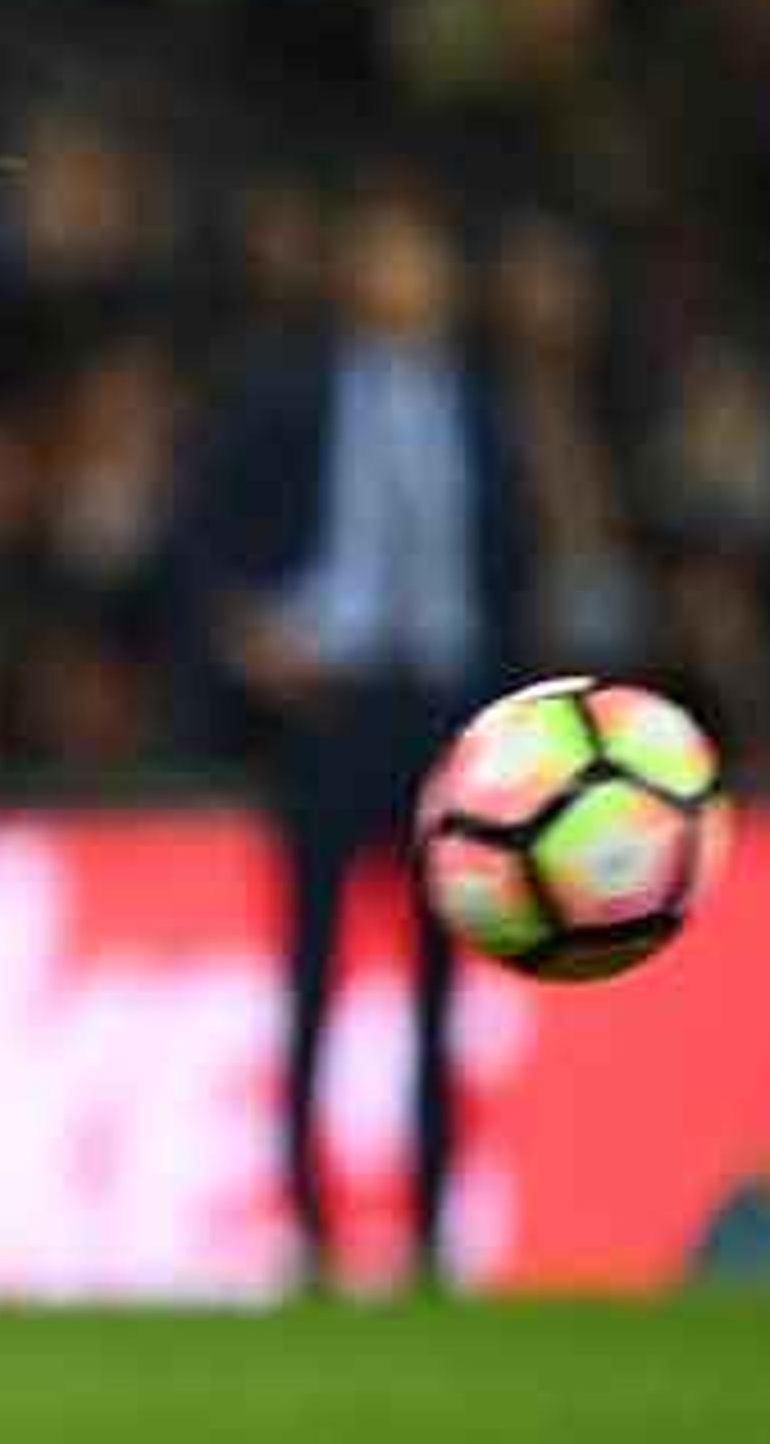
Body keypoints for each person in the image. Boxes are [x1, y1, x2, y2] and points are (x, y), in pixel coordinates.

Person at [183, 178, 533, 1295]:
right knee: (314, 973)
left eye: (418, 256)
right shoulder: (289, 401)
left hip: (445, 713)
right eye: (386, 254)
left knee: (444, 979)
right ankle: (308, 1221)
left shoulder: (482, 411)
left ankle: (433, 1222)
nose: (402, 277)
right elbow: (205, 532)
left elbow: (512, 557)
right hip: (331, 709)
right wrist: (251, 640)